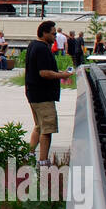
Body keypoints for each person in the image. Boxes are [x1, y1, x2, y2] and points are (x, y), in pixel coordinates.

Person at [25, 20, 72, 164]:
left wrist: (58, 73)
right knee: (47, 129)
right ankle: (43, 161)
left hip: (33, 93)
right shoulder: (42, 49)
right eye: (53, 34)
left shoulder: (33, 45)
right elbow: (44, 73)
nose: (55, 37)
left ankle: (30, 155)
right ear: (44, 33)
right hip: (43, 96)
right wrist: (62, 75)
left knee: (39, 126)